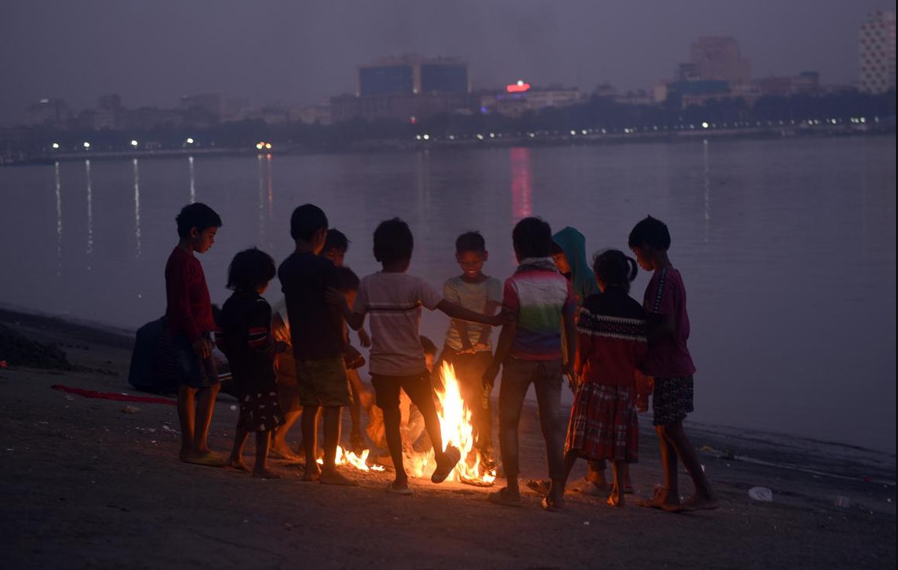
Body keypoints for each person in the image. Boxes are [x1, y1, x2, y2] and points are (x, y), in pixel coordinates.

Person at [334, 218, 505, 495]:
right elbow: (451, 310)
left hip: (382, 364)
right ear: (409, 256)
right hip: (412, 364)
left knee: (390, 416)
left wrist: (341, 303)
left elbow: (355, 323)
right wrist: (489, 320)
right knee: (428, 410)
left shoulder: (367, 285)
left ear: (377, 254)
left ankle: (401, 479)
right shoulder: (416, 285)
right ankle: (441, 458)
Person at [483, 217, 577, 511]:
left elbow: (509, 329)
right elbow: (570, 327)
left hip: (519, 362)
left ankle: (512, 489)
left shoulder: (514, 285)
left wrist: (495, 364)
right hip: (551, 363)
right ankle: (557, 495)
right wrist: (570, 361)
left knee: (508, 423)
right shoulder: (562, 283)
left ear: (518, 250)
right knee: (553, 427)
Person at [628, 216, 718, 512]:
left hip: (672, 366)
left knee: (673, 428)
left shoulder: (664, 279)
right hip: (670, 365)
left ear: (646, 248)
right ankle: (670, 492)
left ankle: (704, 492)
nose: (637, 261)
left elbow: (665, 325)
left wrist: (639, 344)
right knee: (664, 428)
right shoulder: (670, 276)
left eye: (637, 254)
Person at [278, 204, 356, 486]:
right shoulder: (325, 267)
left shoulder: (285, 268)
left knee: (310, 406)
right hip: (327, 348)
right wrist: (345, 345)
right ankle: (331, 469)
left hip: (302, 349)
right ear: (321, 234)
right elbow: (334, 309)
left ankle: (311, 466)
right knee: (333, 406)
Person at [562, 250, 647, 507]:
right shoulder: (636, 312)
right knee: (618, 443)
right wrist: (642, 392)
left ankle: (556, 487)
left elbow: (583, 346)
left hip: (595, 382)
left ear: (598, 277)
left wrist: (576, 370)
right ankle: (619, 493)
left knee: (578, 438)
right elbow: (640, 356)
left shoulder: (592, 307)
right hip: (623, 387)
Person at [551, 226, 616, 494]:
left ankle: (597, 475)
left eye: (560, 257)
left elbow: (599, 319)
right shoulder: (563, 282)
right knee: (587, 417)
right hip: (573, 358)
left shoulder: (587, 282)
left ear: (573, 254)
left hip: (590, 359)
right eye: (554, 260)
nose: (557, 262)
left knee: (589, 418)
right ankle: (596, 474)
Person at [217, 248, 287, 479]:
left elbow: (220, 338)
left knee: (248, 412)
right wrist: (277, 349)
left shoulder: (230, 304)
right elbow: (258, 340)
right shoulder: (260, 305)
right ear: (261, 280)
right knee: (265, 419)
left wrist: (235, 354)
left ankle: (235, 455)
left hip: (239, 368)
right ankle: (260, 465)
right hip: (259, 372)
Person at [165, 202, 224, 467]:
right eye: (210, 235)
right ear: (193, 232)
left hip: (196, 333)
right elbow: (180, 305)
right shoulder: (181, 262)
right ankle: (192, 446)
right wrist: (196, 337)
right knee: (196, 386)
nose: (212, 242)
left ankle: (197, 445)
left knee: (206, 385)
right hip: (190, 335)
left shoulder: (187, 262)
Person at [440, 232, 502, 464]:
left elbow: (490, 312)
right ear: (457, 259)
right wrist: (465, 343)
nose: (470, 266)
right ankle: (447, 446)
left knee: (481, 401)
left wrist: (482, 340)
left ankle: (483, 451)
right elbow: (457, 316)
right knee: (447, 394)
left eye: (475, 262)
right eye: (465, 262)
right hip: (455, 347)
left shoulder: (493, 284)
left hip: (482, 353)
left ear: (485, 256)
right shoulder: (452, 285)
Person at [321, 232, 371, 452]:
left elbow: (349, 307)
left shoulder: (341, 278)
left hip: (338, 341)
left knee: (353, 377)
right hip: (323, 348)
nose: (336, 260)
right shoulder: (321, 282)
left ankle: (356, 431)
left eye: (340, 255)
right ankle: (321, 444)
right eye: (331, 254)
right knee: (348, 382)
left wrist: (359, 328)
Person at [365, 336, 434, 459]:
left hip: (388, 430)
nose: (429, 369)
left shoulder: (400, 375)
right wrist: (408, 448)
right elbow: (402, 421)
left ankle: (405, 451)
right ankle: (395, 453)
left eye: (430, 364)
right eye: (425, 365)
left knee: (433, 405)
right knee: (423, 413)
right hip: (386, 434)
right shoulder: (403, 386)